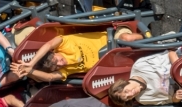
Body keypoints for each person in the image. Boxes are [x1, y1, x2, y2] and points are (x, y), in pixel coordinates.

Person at [12, 28, 141, 83]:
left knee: (126, 38)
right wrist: (30, 71)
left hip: (114, 39)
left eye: (58, 60)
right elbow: (49, 77)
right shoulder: (66, 70)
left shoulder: (63, 43)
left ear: (54, 52)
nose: (61, 64)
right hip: (117, 59)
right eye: (57, 66)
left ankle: (153, 38)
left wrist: (31, 63)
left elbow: (48, 45)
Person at [108, 51, 182, 107]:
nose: (131, 94)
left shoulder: (140, 66)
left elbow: (171, 53)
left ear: (124, 84)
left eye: (126, 91)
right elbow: (172, 100)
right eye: (128, 97)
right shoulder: (142, 99)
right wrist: (177, 97)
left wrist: (180, 72)